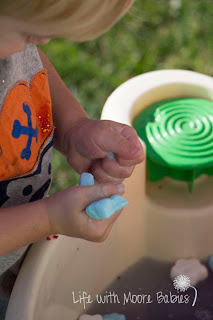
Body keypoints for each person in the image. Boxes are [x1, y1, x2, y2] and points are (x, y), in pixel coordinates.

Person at [0, 0, 144, 318]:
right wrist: (48, 219)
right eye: (29, 35)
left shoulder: (7, 32)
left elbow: (28, 63)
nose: (41, 43)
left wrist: (72, 128)